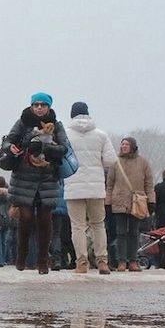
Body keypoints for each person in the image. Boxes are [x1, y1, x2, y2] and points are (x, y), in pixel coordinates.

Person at [4, 93, 69, 274]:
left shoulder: (57, 125)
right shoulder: (22, 122)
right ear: (31, 106)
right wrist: (13, 147)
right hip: (24, 177)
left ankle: (43, 259)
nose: (39, 108)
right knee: (25, 218)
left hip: (47, 178)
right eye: (36, 104)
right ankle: (21, 254)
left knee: (45, 220)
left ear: (48, 107)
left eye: (43, 105)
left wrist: (44, 148)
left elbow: (63, 148)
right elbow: (8, 140)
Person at [64, 101, 117, 274]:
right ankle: (102, 261)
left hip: (73, 185)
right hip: (96, 187)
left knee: (77, 226)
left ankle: (82, 263)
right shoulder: (101, 135)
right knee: (98, 225)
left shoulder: (65, 135)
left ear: (72, 115)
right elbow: (111, 160)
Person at [105, 137, 155, 272]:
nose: (124, 146)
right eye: (122, 144)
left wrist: (151, 200)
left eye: (126, 144)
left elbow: (149, 184)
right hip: (119, 200)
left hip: (136, 201)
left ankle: (133, 260)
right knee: (120, 232)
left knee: (134, 232)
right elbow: (109, 184)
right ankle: (122, 261)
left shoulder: (143, 163)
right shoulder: (116, 163)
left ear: (133, 146)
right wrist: (108, 202)